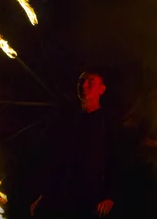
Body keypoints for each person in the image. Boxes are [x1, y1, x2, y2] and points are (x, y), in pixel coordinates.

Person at [30, 71, 122, 218]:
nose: (84, 85)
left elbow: (117, 160)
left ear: (102, 89)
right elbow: (60, 161)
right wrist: (44, 196)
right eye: (81, 81)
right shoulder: (70, 122)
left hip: (93, 200)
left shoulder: (109, 123)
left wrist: (110, 196)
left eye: (90, 81)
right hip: (66, 197)